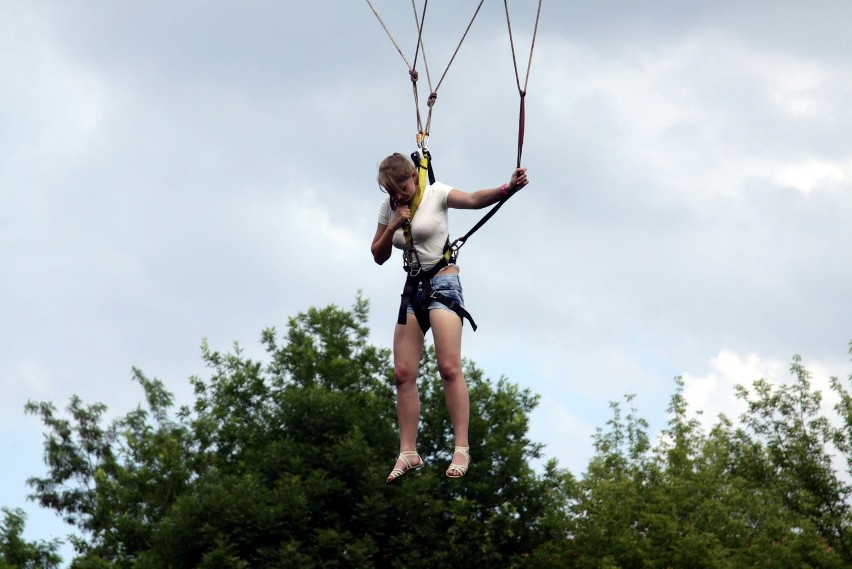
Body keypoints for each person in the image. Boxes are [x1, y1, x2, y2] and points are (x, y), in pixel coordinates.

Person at [371, 152, 529, 483]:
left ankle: (461, 447)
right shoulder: (390, 208)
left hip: (443, 280)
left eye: (402, 185)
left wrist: (506, 188)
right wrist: (393, 226)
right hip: (413, 286)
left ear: (414, 175)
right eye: (392, 190)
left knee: (448, 367)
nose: (399, 194)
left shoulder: (436, 193)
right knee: (403, 373)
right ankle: (408, 452)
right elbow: (378, 255)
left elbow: (472, 199)